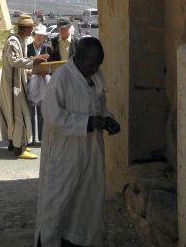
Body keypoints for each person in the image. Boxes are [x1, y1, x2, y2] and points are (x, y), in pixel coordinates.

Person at [34, 36, 121, 247]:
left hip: (91, 151)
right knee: (57, 204)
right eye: (93, 64)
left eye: (99, 64)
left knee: (86, 201)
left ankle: (75, 241)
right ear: (80, 58)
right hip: (65, 153)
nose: (96, 68)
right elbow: (53, 116)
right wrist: (88, 123)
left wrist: (107, 119)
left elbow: (98, 106)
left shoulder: (96, 76)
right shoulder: (62, 79)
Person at [0, 14, 48, 160]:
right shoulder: (13, 41)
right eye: (31, 28)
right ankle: (18, 149)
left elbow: (21, 64)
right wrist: (35, 60)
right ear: (25, 28)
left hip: (18, 81)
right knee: (18, 114)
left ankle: (13, 143)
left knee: (13, 113)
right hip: (12, 83)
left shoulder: (22, 41)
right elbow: (14, 61)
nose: (32, 30)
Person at [27, 24, 51, 146]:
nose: (41, 37)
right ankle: (31, 137)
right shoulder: (27, 48)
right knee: (30, 110)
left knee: (42, 111)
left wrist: (46, 71)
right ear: (34, 35)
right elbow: (25, 63)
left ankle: (41, 137)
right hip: (31, 81)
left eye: (43, 36)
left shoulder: (48, 49)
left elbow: (52, 66)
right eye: (39, 35)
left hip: (43, 81)